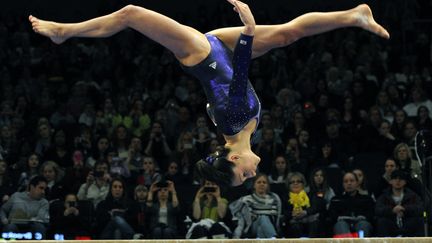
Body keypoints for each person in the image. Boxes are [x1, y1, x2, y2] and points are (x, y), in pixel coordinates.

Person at [30, 0, 389, 187]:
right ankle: (354, 15)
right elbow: (217, 97)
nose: (253, 173)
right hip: (221, 51)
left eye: (244, 175)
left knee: (130, 13)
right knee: (286, 34)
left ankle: (64, 30)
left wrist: (248, 30)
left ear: (234, 160)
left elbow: (239, 79)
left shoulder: (234, 122)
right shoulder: (241, 130)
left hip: (200, 52)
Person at [229, 174, 282, 238]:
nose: (261, 184)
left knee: (261, 228)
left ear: (267, 185)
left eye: (264, 182)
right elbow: (235, 210)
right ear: (254, 185)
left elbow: (277, 217)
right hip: (253, 227)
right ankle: (274, 238)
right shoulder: (247, 200)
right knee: (263, 218)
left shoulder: (274, 199)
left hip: (270, 226)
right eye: (259, 182)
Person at [375, 170, 424, 237]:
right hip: (391, 224)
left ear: (405, 182)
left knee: (419, 220)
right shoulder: (384, 196)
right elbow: (378, 210)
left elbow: (420, 209)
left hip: (407, 224)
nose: (398, 181)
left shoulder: (413, 195)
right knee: (381, 221)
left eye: (401, 179)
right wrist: (392, 210)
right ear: (390, 181)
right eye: (395, 179)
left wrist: (404, 209)